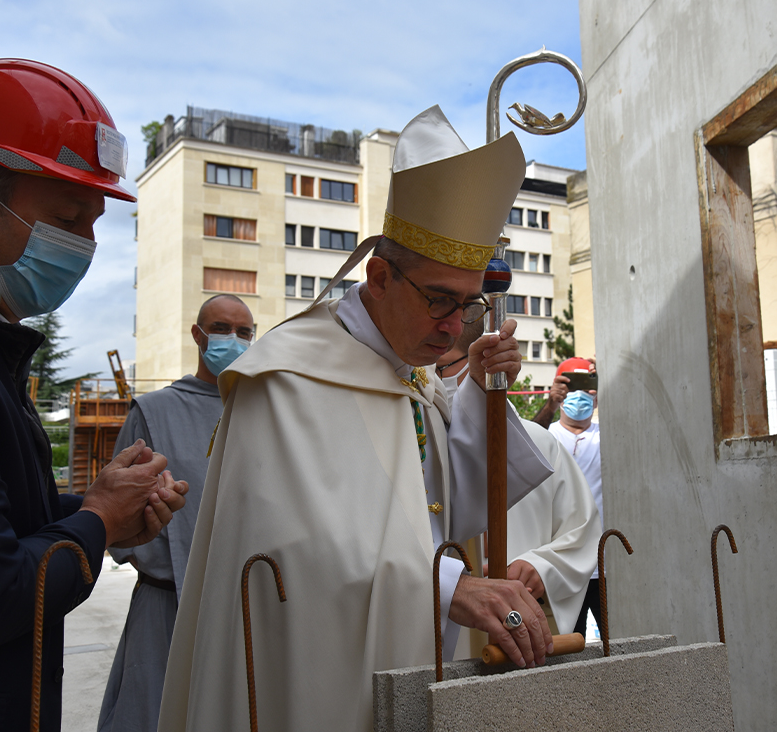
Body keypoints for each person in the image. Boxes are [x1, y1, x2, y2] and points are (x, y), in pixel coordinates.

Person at [160, 106, 557, 732]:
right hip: (313, 680)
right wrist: (445, 584)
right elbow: (287, 554)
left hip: (416, 655)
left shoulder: (412, 377)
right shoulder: (287, 377)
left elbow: (449, 505)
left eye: (468, 305)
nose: (453, 326)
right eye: (438, 300)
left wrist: (479, 390)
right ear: (378, 276)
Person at [0, 59, 188, 732]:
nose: (86, 245)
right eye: (68, 218)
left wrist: (102, 511)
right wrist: (95, 522)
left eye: (91, 222)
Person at [99, 294, 253, 731]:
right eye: (222, 329)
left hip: (242, 605)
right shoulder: (153, 411)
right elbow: (119, 517)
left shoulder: (260, 408)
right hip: (166, 601)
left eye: (245, 332)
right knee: (156, 713)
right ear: (198, 335)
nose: (234, 339)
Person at [437, 325, 601, 655]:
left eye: (443, 370)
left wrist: (542, 566)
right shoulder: (422, 448)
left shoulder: (539, 444)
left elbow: (583, 529)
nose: (436, 383)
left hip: (523, 625)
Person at [544, 357, 602, 638]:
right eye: (570, 386)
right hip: (563, 568)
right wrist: (550, 405)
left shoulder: (608, 436)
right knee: (567, 649)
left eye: (586, 386)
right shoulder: (547, 435)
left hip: (603, 566)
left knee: (615, 646)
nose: (579, 394)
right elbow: (519, 444)